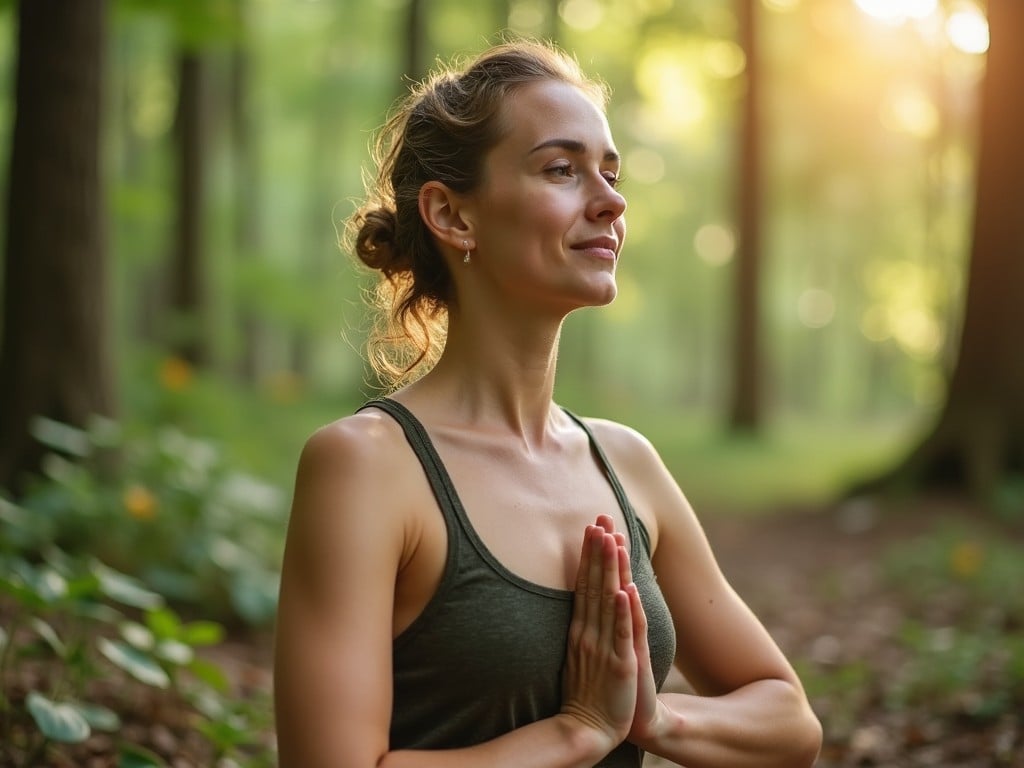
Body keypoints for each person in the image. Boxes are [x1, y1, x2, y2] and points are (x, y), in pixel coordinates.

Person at [273, 39, 822, 768]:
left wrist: (653, 722)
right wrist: (576, 730)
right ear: (453, 215)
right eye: (562, 170)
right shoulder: (366, 468)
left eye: (610, 171)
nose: (611, 199)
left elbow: (790, 722)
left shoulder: (626, 461)